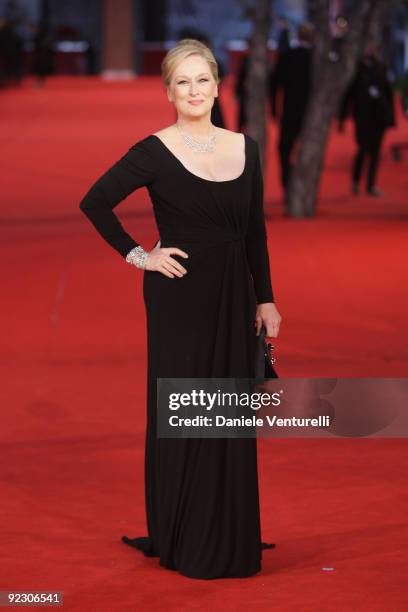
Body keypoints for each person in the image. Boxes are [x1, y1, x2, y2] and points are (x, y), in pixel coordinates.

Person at [79, 38, 282, 580]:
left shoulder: (246, 147)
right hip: (181, 297)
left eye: (203, 80)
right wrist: (140, 255)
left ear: (218, 84)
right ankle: (187, 533)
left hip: (236, 297)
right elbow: (95, 202)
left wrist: (266, 298)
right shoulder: (153, 150)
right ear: (169, 91)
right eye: (182, 83)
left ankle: (229, 531)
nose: (194, 91)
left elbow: (255, 233)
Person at [339, 43, 395, 197]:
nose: (369, 50)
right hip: (362, 117)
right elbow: (348, 95)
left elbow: (388, 94)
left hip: (379, 117)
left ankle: (371, 185)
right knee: (362, 149)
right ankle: (356, 182)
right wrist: (342, 117)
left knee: (376, 153)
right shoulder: (356, 70)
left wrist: (391, 119)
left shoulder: (381, 68)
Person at [269, 22, 314, 203]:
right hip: (312, 116)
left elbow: (274, 84)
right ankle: (304, 190)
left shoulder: (287, 56)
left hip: (289, 113)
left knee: (285, 151)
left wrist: (274, 109)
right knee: (307, 152)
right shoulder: (317, 59)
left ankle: (288, 187)